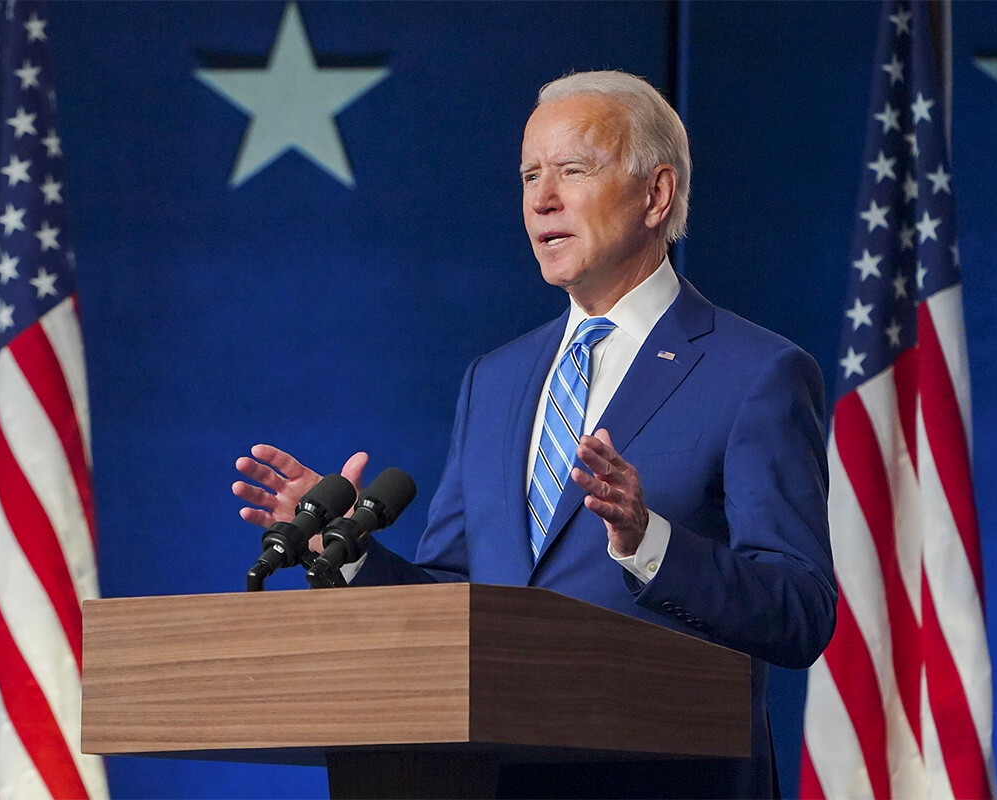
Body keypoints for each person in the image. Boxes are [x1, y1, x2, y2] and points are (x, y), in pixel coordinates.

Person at [233, 71, 836, 799]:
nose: (541, 199)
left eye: (573, 170)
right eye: (528, 175)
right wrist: (354, 558)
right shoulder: (495, 378)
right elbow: (457, 597)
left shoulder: (757, 372)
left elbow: (800, 612)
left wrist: (649, 543)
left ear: (657, 194)